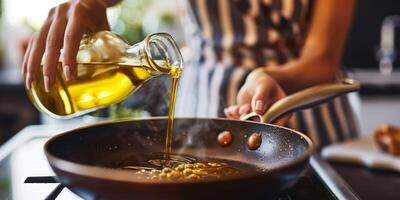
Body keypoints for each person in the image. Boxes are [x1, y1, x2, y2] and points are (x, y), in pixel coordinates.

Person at [22, 0, 359, 148]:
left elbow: (322, 59)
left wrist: (262, 74)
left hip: (310, 117)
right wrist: (90, 2)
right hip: (203, 105)